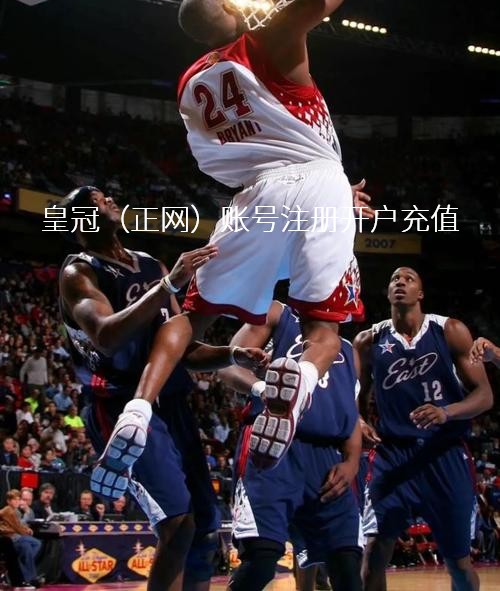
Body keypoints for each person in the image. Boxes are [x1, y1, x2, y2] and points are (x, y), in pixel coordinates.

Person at [96, 0, 432, 482]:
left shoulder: (190, 85)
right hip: (317, 182)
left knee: (193, 313)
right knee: (325, 324)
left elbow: (253, 149)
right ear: (230, 9)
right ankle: (298, 381)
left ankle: (138, 408)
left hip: (255, 198)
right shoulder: (271, 38)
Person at [58, 186, 267, 591]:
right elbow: (105, 336)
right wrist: (169, 286)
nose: (108, 200)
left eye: (106, 195)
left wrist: (232, 354)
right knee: (178, 523)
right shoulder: (78, 273)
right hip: (120, 404)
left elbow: (180, 348)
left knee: (205, 525)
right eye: (95, 200)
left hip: (171, 402)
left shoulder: (150, 265)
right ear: (80, 222)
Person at [354, 266, 494, 591]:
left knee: (458, 563)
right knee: (373, 554)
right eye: (394, 279)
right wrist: (359, 420)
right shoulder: (368, 341)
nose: (400, 282)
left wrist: (446, 412)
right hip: (393, 455)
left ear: (421, 293)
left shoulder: (450, 330)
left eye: (409, 279)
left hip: (444, 453)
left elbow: (485, 395)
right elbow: (354, 396)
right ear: (388, 293)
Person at [218, 301, 364, 591]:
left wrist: (352, 462)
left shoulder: (350, 351)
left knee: (347, 567)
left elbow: (353, 415)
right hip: (272, 449)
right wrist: (264, 390)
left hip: (328, 459)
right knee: (261, 560)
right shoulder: (279, 314)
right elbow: (226, 366)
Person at [0, 490, 42, 587]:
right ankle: (31, 578)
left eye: (18, 499)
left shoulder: (15, 511)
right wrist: (26, 532)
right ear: (8, 501)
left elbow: (19, 524)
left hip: (16, 535)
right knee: (31, 545)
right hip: (11, 537)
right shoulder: (8, 511)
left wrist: (26, 529)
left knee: (30, 548)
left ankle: (23, 569)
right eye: (14, 500)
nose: (17, 502)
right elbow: (17, 527)